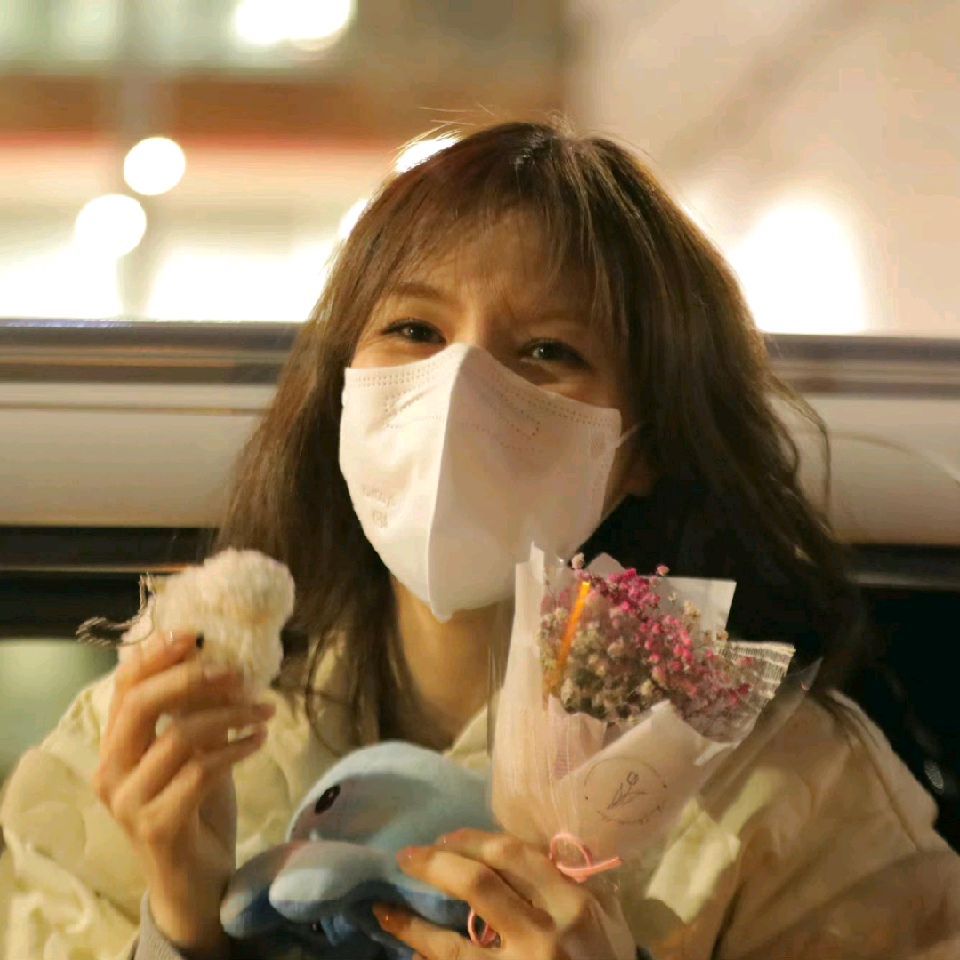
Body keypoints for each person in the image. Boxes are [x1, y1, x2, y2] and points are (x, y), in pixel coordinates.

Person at [1, 120, 958, 960]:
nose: (459, 387)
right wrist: (180, 921)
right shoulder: (154, 746)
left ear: (644, 446)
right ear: (343, 390)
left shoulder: (783, 784)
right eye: (414, 329)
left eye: (547, 351)